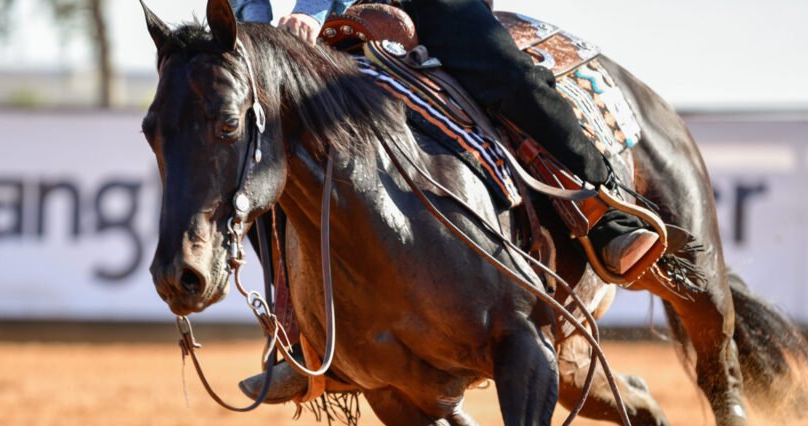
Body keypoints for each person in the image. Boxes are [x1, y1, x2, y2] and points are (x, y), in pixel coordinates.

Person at [236, 0, 658, 402]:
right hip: (317, 27)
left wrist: (310, 11)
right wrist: (249, 35)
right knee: (256, 139)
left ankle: (604, 210)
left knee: (510, 78)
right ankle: (298, 336)